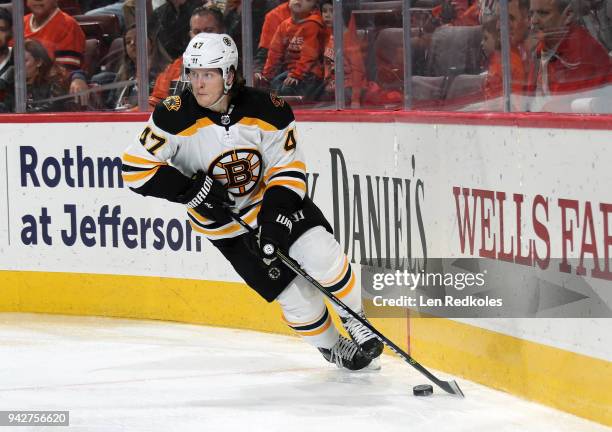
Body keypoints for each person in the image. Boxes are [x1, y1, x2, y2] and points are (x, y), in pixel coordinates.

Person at [121, 33, 384, 370]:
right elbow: (134, 169)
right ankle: (334, 347)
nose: (197, 83)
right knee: (296, 301)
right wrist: (191, 190)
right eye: (193, 73)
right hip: (226, 226)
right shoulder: (173, 117)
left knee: (321, 255)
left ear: (229, 75)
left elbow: (288, 170)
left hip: (274, 203)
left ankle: (355, 318)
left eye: (208, 74)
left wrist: (275, 219)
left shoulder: (266, 108)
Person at [526, 0, 611, 110]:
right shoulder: (540, 50)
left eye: (543, 13)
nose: (534, 20)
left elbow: (565, 110)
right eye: (531, 14)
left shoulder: (582, 52)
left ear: (568, 15)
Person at [148, 6, 225, 109]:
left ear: (222, 31)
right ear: (190, 35)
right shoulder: (176, 67)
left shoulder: (236, 66)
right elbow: (155, 104)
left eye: (209, 30)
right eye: (197, 32)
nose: (202, 36)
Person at [260, 0, 325, 100]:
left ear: (314, 8)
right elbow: (274, 53)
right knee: (273, 85)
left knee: (287, 89)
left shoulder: (313, 24)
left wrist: (296, 74)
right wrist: (266, 75)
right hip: (290, 71)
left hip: (309, 73)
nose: (299, 1)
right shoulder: (284, 25)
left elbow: (309, 56)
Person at [94, 26, 171, 110]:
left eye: (138, 39)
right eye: (128, 41)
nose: (132, 43)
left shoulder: (167, 72)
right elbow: (110, 106)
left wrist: (134, 110)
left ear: (152, 43)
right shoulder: (123, 73)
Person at [1, 39, 79, 112]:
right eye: (16, 61)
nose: (19, 66)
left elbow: (53, 107)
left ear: (39, 62)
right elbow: (7, 107)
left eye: (24, 61)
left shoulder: (55, 81)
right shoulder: (13, 83)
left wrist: (22, 115)